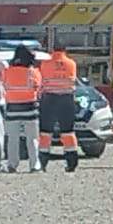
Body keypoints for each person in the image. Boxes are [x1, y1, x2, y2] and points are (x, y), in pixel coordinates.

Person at [37, 43, 82, 173]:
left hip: (49, 99)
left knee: (45, 132)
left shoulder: (45, 63)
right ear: (65, 50)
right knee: (68, 132)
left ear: (53, 50)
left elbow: (42, 80)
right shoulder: (71, 63)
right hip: (66, 99)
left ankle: (42, 162)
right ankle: (71, 162)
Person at [0, 44, 42, 173]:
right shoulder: (33, 72)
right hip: (30, 107)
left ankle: (12, 164)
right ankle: (35, 165)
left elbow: (3, 84)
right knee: (32, 138)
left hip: (12, 108)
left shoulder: (7, 71)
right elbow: (38, 86)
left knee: (12, 138)